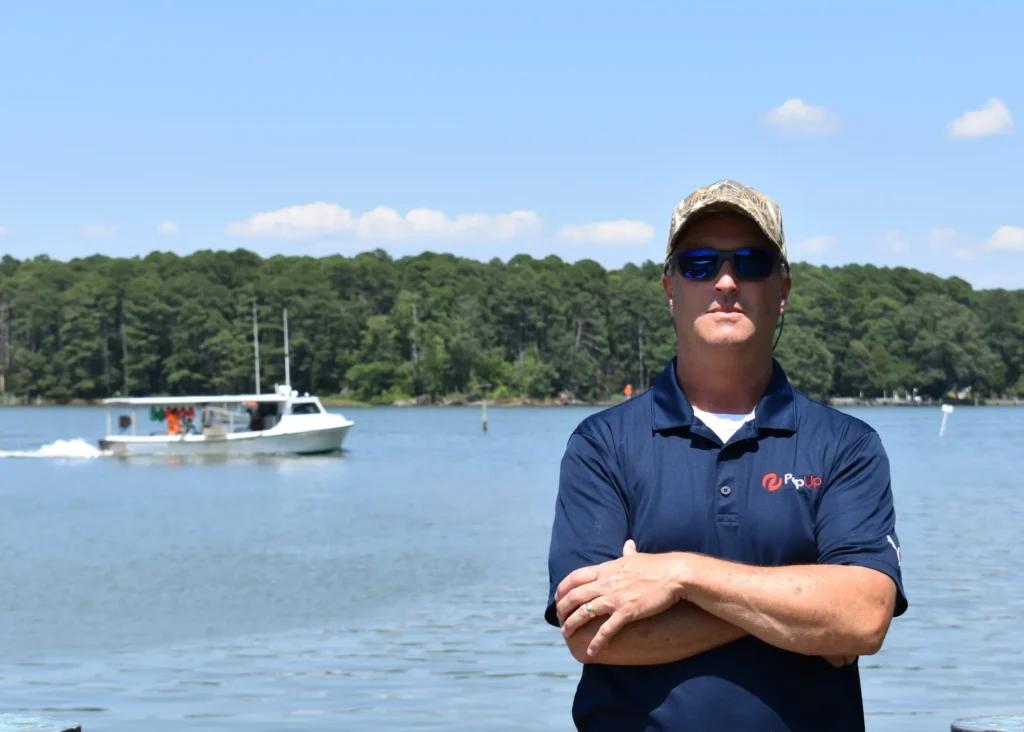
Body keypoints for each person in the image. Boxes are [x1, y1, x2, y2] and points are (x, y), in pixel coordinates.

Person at [544, 179, 907, 731]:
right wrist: (804, 604)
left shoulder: (846, 445)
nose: (726, 281)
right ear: (670, 286)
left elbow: (862, 618)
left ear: (782, 289)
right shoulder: (602, 445)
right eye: (699, 263)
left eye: (752, 263)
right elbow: (593, 634)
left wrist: (679, 576)